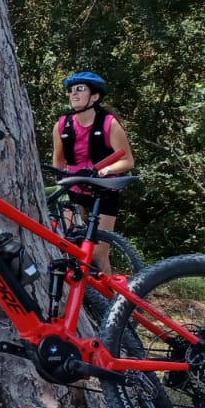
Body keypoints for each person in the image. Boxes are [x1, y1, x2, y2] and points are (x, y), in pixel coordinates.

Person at [51, 69, 135, 273]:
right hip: (74, 189)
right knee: (69, 244)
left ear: (95, 96)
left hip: (104, 191)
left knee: (98, 254)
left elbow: (127, 161)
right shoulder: (62, 125)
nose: (74, 94)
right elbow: (58, 160)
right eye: (71, 90)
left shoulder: (109, 123)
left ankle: (108, 301)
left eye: (80, 89)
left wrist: (105, 171)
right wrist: (60, 180)